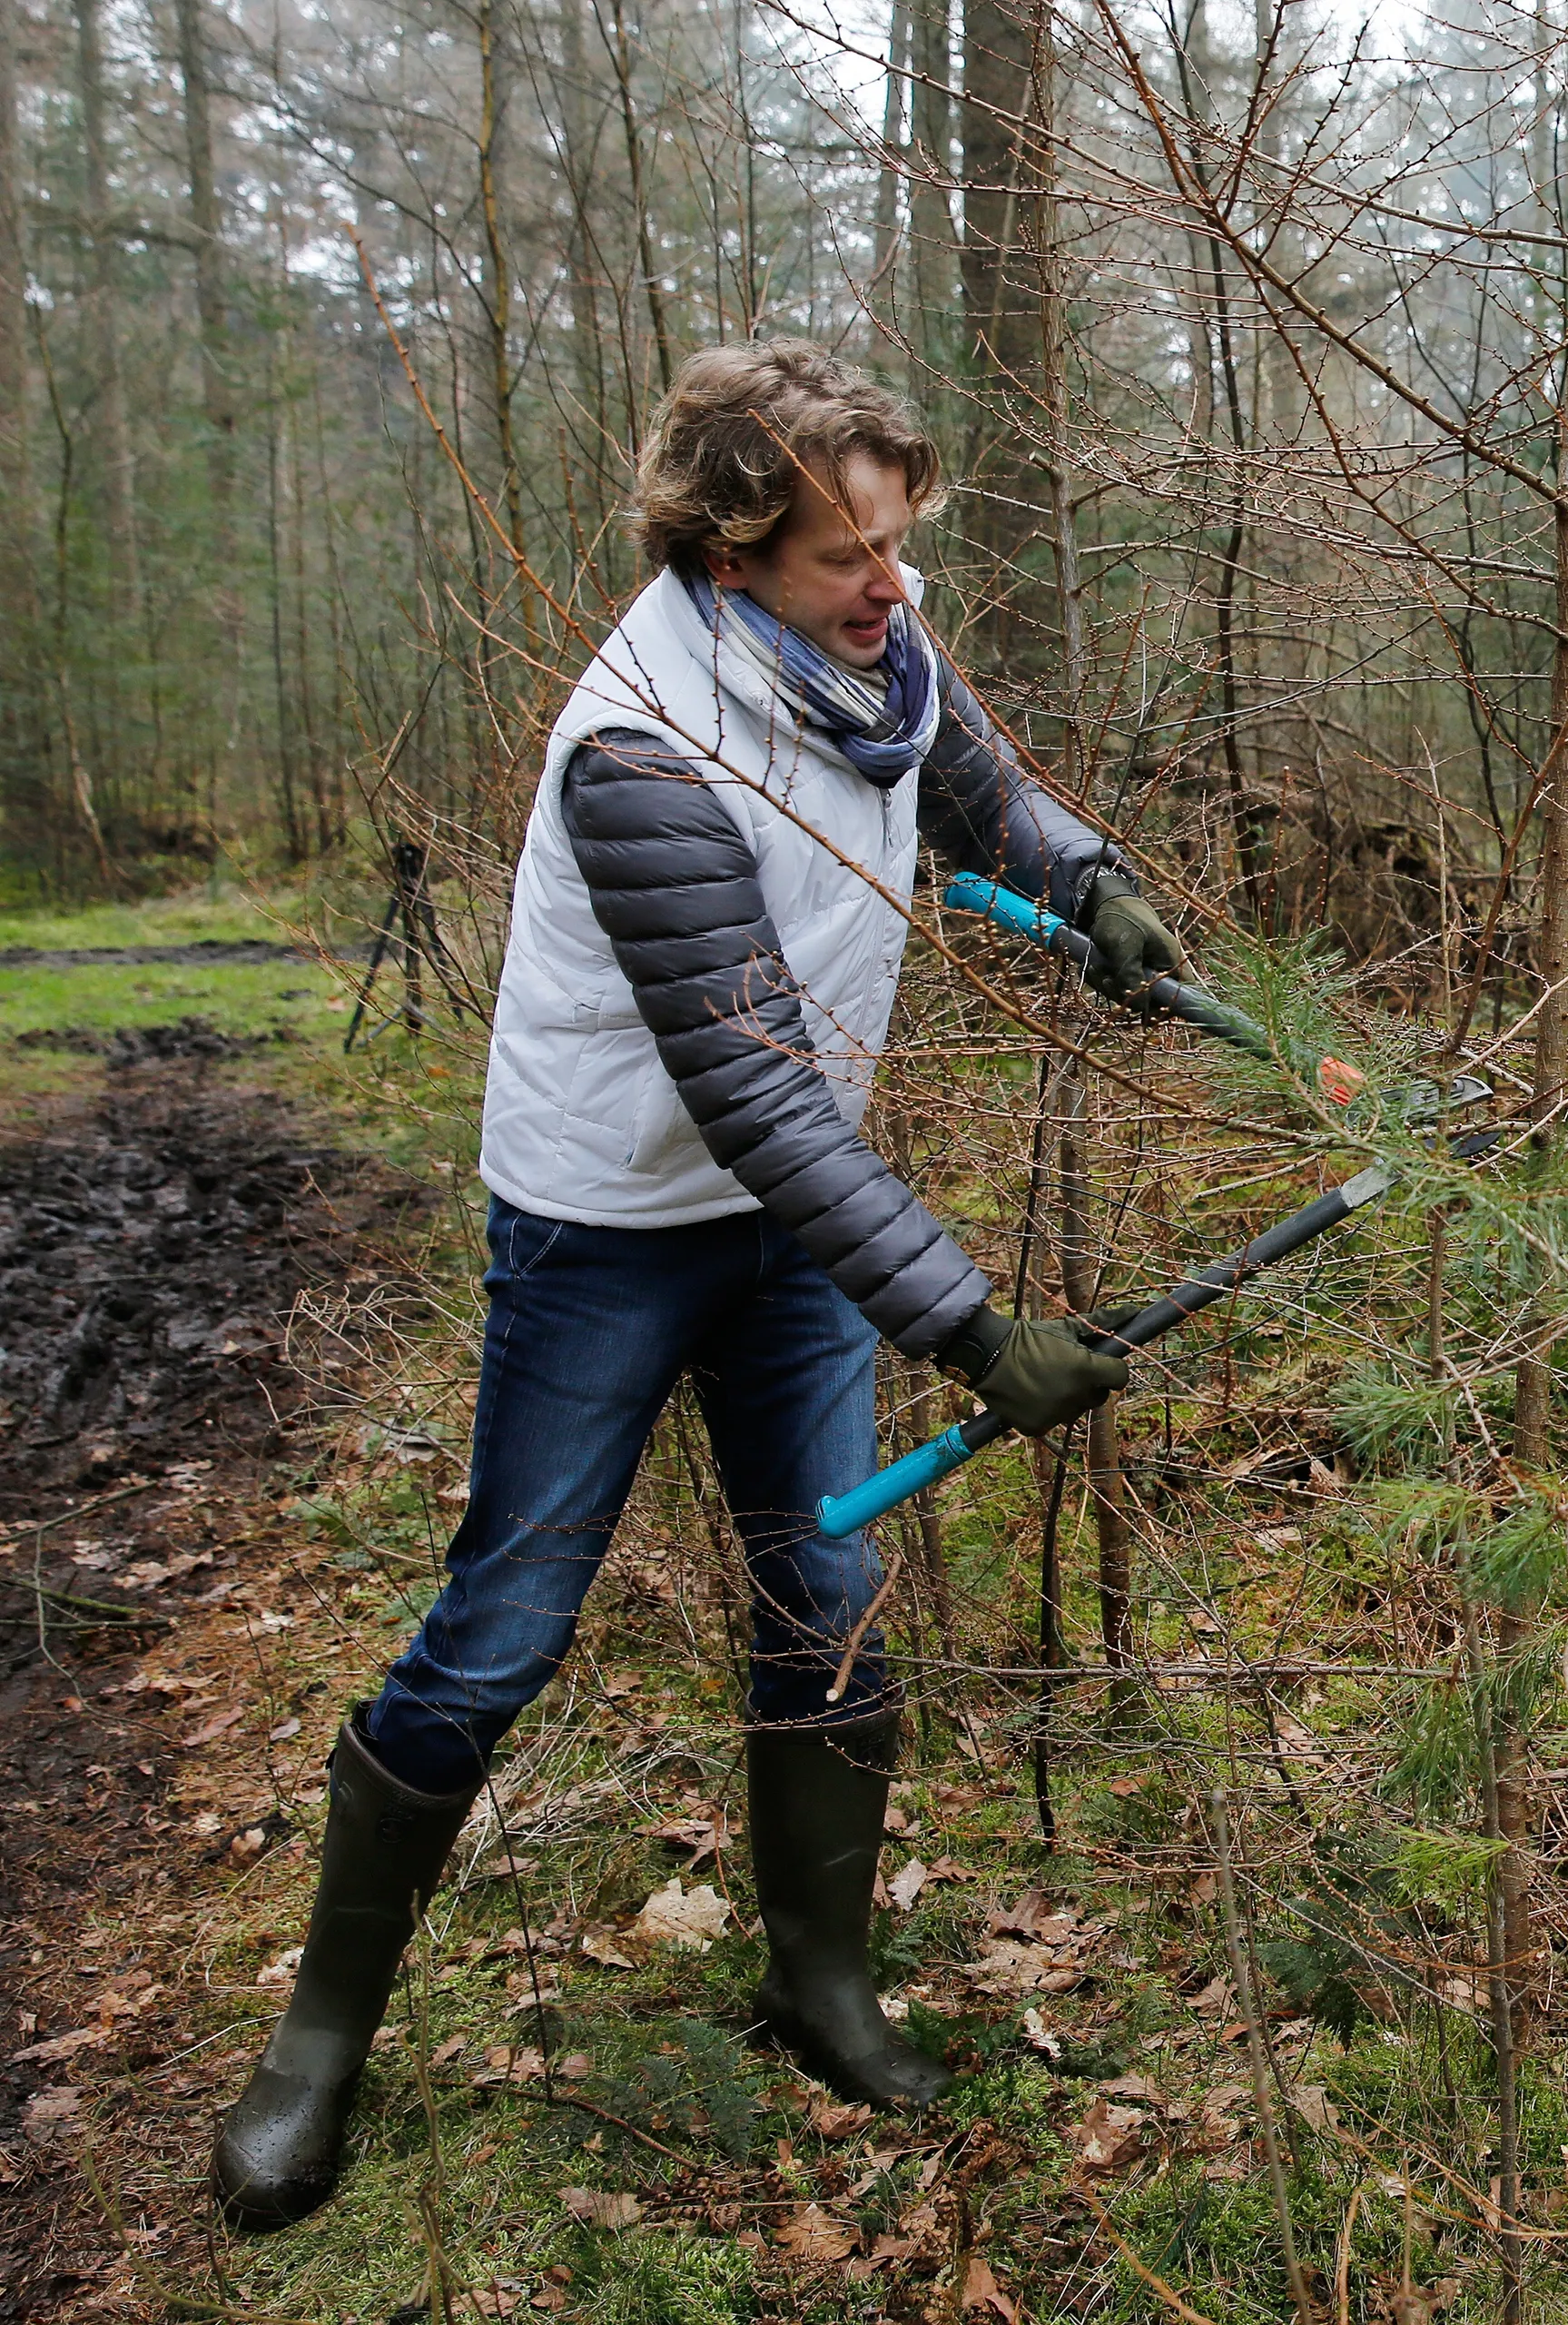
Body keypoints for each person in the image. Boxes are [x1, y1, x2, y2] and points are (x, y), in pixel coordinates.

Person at [212, 341, 1171, 2232]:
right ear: (728, 560)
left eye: (898, 542)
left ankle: (818, 1981)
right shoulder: (640, 750)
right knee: (502, 1623)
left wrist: (1085, 880)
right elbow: (748, 1090)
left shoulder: (873, 628)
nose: (890, 583)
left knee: (820, 1583)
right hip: (607, 1222)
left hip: (794, 1220)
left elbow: (968, 772)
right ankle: (318, 2038)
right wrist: (970, 1323)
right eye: (844, 557)